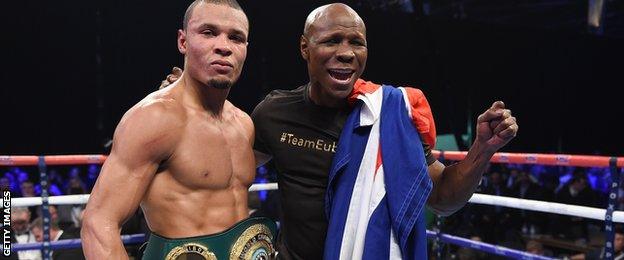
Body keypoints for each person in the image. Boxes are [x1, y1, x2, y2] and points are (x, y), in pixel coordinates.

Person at [162, 3, 517, 259]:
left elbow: (442, 199)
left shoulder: (388, 117)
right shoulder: (275, 113)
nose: (345, 53)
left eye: (355, 43)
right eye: (332, 41)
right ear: (306, 48)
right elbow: (222, 174)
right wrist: (193, 104)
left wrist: (482, 150)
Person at [80, 1, 276, 259]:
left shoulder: (243, 123)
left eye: (236, 38)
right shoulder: (154, 118)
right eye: (208, 32)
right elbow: (98, 223)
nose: (223, 46)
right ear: (183, 42)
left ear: (245, 49)